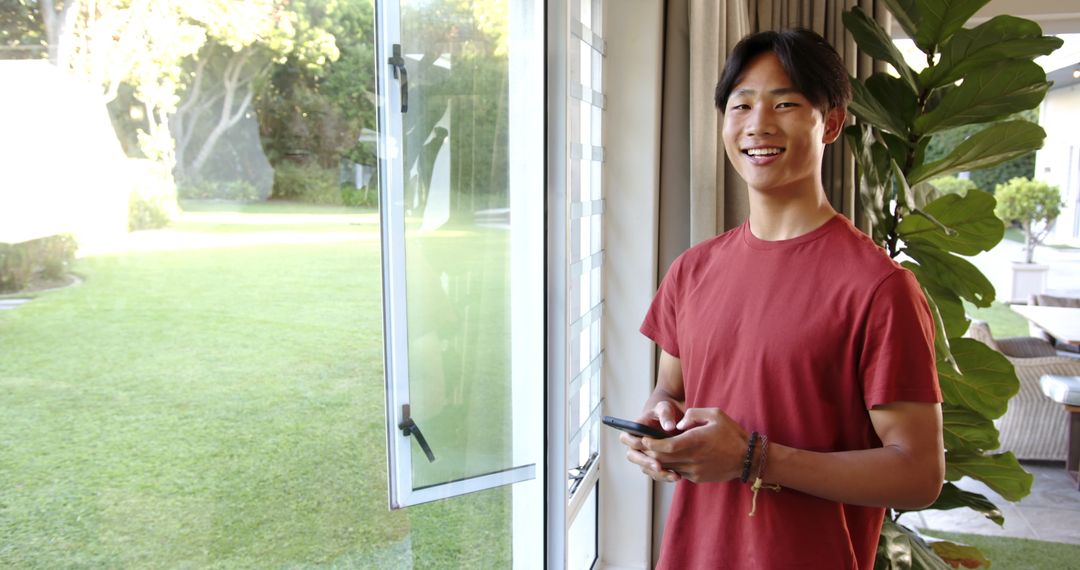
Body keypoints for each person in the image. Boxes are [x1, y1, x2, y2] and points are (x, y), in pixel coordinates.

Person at [620, 28, 945, 569]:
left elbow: (918, 475)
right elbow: (668, 388)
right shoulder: (691, 270)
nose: (758, 124)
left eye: (786, 103)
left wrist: (756, 459)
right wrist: (657, 427)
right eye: (740, 105)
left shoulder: (880, 287)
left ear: (832, 123)